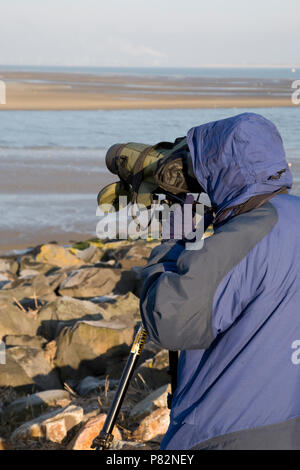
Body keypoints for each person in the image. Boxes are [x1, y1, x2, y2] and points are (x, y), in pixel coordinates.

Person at [139, 112, 300, 450]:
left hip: (224, 431)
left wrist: (174, 243)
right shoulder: (289, 215)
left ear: (221, 171)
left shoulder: (243, 237)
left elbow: (170, 321)